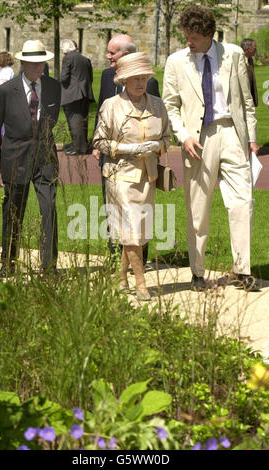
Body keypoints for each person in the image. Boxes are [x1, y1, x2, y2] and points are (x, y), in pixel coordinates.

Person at [162, 6, 260, 292]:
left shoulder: (233, 54)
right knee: (198, 208)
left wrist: (251, 138)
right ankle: (197, 271)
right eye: (186, 36)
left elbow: (246, 100)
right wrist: (182, 136)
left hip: (232, 132)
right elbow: (170, 104)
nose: (188, 42)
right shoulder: (176, 62)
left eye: (193, 37)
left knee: (243, 202)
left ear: (208, 34)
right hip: (197, 137)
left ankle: (242, 270)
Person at [93, 52, 170, 301]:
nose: (140, 83)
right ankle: (141, 284)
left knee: (135, 231)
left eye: (144, 78)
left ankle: (120, 277)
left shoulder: (158, 105)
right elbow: (99, 141)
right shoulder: (111, 105)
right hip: (120, 176)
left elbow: (167, 138)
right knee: (132, 232)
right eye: (135, 78)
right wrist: (127, 149)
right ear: (124, 80)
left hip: (148, 177)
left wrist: (156, 147)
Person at [0, 40, 61, 277]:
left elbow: (53, 121)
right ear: (23, 63)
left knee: (49, 209)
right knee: (13, 211)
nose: (39, 68)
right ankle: (8, 264)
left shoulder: (53, 87)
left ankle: (49, 266)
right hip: (15, 158)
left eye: (42, 63)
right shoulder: (5, 91)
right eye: (33, 63)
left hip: (46, 159)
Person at [60, 39, 95, 156]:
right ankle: (81, 145)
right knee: (82, 120)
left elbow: (64, 78)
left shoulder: (68, 58)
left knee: (75, 121)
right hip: (85, 92)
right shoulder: (85, 59)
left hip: (73, 94)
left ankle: (79, 148)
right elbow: (90, 77)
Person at [241, 38, 258, 107]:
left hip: (249, 98)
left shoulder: (250, 60)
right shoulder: (238, 60)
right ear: (248, 48)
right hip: (241, 98)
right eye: (254, 48)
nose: (256, 50)